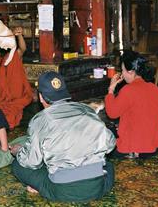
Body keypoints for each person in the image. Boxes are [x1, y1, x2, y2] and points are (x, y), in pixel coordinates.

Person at [10, 71, 116, 202]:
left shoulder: (40, 120)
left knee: (18, 165)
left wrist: (19, 151)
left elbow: (32, 162)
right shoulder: (87, 110)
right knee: (109, 166)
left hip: (62, 190)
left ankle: (41, 186)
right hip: (96, 187)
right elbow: (110, 144)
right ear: (65, 93)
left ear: (41, 97)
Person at [105, 50, 158, 159]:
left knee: (108, 132)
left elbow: (112, 113)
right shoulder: (157, 90)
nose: (122, 74)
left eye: (123, 70)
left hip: (130, 148)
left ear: (131, 72)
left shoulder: (128, 90)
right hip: (153, 147)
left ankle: (133, 153)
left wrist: (110, 90)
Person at [0, 26, 33, 129]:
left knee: (8, 114)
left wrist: (19, 36)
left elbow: (21, 49)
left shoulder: (7, 61)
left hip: (13, 100)